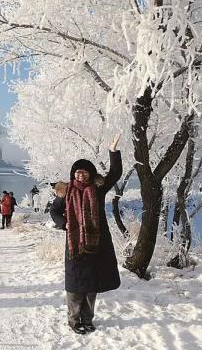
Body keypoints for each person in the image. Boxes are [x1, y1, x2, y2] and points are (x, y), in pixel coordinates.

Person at [64, 134, 122, 335]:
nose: (81, 176)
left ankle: (87, 320)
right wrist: (66, 224)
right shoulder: (66, 192)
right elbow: (55, 211)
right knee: (74, 286)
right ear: (74, 174)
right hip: (74, 246)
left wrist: (113, 151)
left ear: (90, 174)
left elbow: (115, 174)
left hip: (95, 244)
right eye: (78, 173)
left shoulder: (97, 189)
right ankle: (73, 321)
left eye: (85, 173)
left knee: (91, 286)